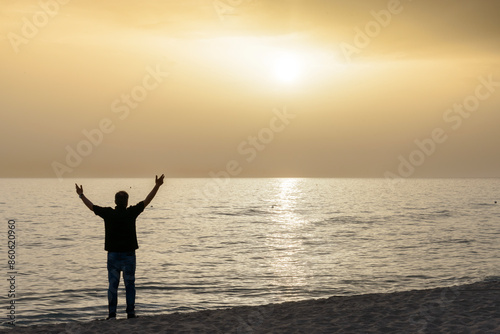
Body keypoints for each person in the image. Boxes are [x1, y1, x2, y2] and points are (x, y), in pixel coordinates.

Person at [75, 174, 165, 320]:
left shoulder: (109, 213)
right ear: (126, 202)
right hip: (129, 255)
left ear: (115, 201)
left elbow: (92, 207)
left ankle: (112, 315)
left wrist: (81, 195)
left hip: (113, 256)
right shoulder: (131, 212)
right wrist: (157, 186)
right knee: (130, 285)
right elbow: (147, 201)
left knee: (113, 285)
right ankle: (130, 313)